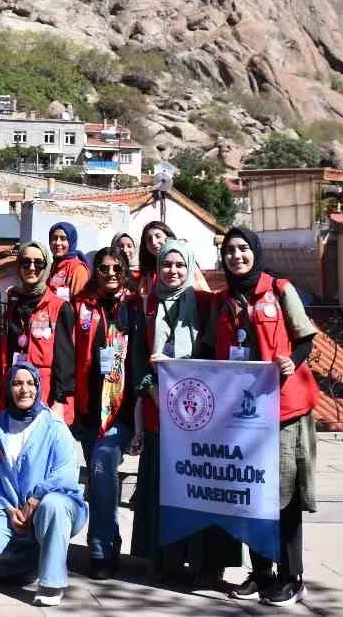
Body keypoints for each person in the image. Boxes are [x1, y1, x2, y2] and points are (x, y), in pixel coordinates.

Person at [212, 226, 318, 607]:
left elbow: (306, 337)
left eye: (243, 249)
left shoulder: (280, 289)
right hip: (243, 414)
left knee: (282, 495)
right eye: (229, 251)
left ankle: (293, 577)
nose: (236, 256)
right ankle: (261, 572)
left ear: (255, 251)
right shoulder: (223, 302)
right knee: (250, 493)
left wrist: (293, 359)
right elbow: (212, 352)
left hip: (284, 410)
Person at [130, 239, 236, 586]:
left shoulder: (206, 304)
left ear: (189, 266)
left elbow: (219, 350)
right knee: (163, 487)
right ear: (157, 268)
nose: (172, 271)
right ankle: (165, 560)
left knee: (201, 486)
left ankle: (207, 562)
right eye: (166, 265)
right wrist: (154, 391)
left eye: (179, 265)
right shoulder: (147, 306)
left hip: (201, 416)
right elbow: (137, 359)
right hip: (160, 411)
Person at [0, 362, 88, 607]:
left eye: (29, 383)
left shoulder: (54, 426)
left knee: (53, 505)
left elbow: (66, 475)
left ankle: (51, 582)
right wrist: (8, 510)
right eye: (16, 383)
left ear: (38, 387)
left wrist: (36, 498)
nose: (24, 390)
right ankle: (35, 562)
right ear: (8, 389)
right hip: (14, 514)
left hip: (57, 508)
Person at [72, 243, 147, 578]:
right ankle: (111, 537)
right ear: (95, 271)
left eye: (118, 269)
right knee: (101, 477)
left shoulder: (134, 308)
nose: (112, 274)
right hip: (88, 409)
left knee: (103, 463)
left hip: (121, 410)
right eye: (104, 268)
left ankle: (100, 548)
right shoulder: (80, 307)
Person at [0, 242, 75, 421]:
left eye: (38, 263)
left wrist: (59, 401)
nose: (32, 268)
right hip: (15, 391)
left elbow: (65, 360)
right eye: (26, 263)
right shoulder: (12, 303)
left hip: (45, 395)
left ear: (46, 267)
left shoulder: (59, 307)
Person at [44, 222, 91, 303]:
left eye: (63, 239)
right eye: (54, 238)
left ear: (71, 241)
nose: (58, 243)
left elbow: (79, 305)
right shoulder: (52, 266)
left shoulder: (78, 269)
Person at [136, 221, 174, 295]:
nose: (153, 242)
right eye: (149, 239)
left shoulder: (185, 262)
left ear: (168, 236)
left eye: (158, 236)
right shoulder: (147, 272)